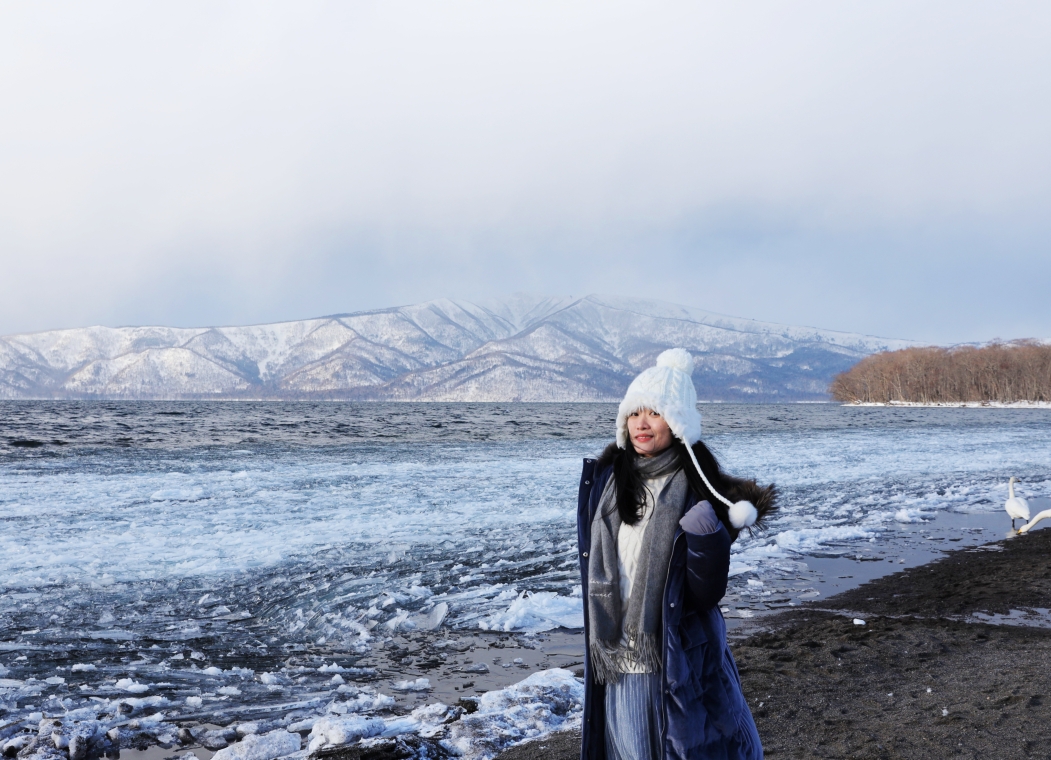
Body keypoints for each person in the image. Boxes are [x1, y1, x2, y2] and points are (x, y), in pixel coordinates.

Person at [577, 348, 776, 760]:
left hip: (676, 651)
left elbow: (706, 596)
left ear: (678, 422)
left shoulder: (699, 490)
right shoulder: (606, 486)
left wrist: (706, 537)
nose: (641, 423)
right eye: (634, 413)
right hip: (616, 651)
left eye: (655, 412)